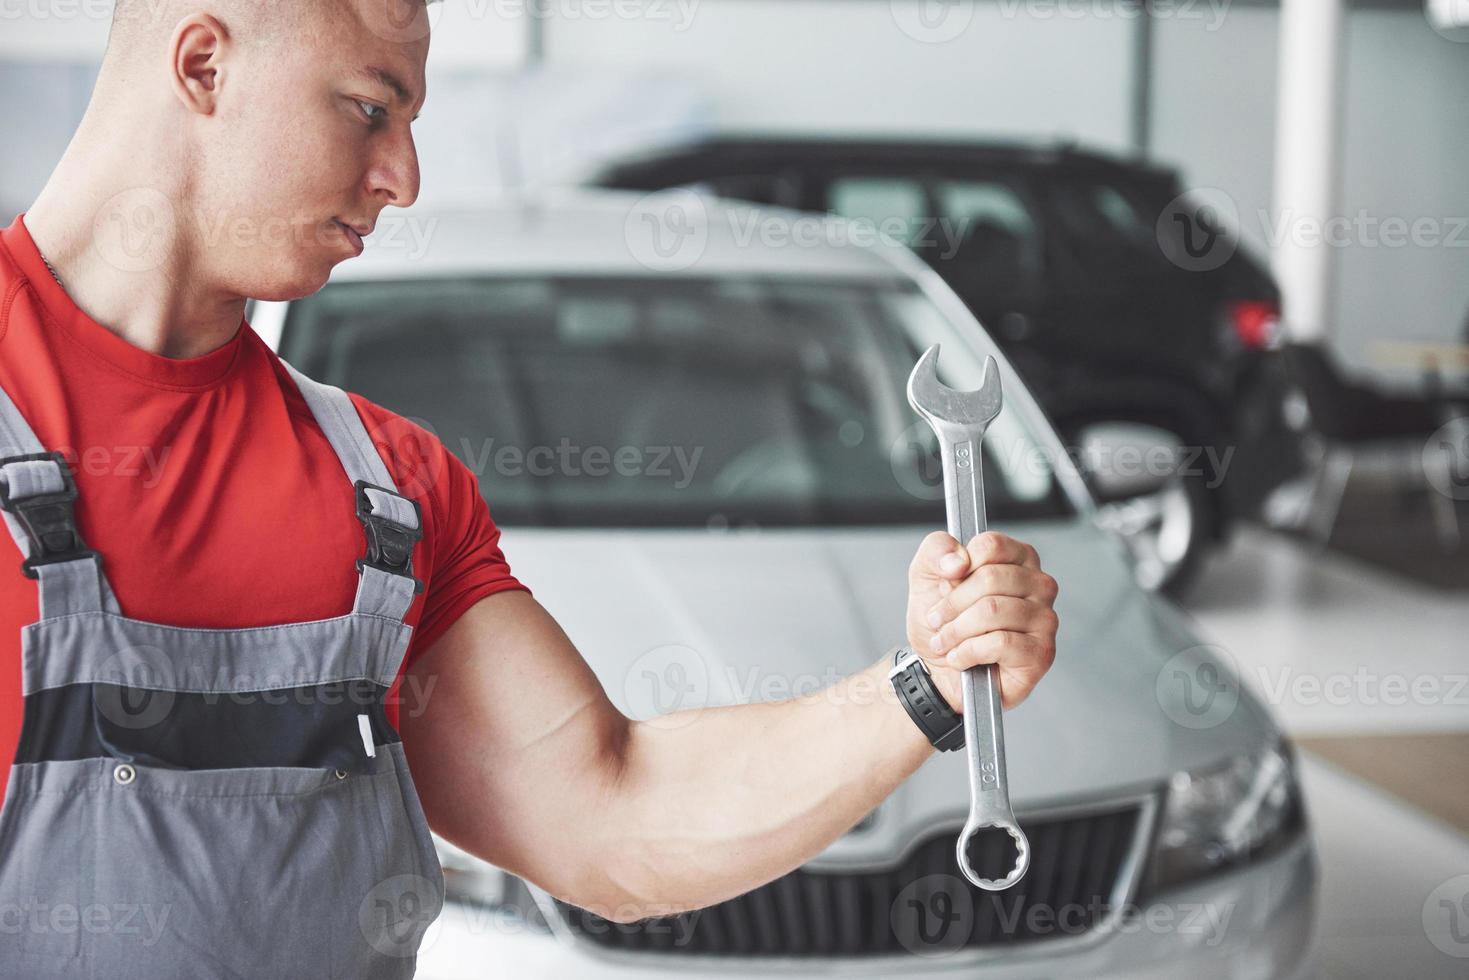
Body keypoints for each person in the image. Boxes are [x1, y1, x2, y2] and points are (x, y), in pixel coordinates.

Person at [0, 1, 1060, 976]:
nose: (402, 176)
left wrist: (921, 681)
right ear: (202, 65)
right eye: (371, 109)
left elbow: (612, 814)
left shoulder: (387, 492)